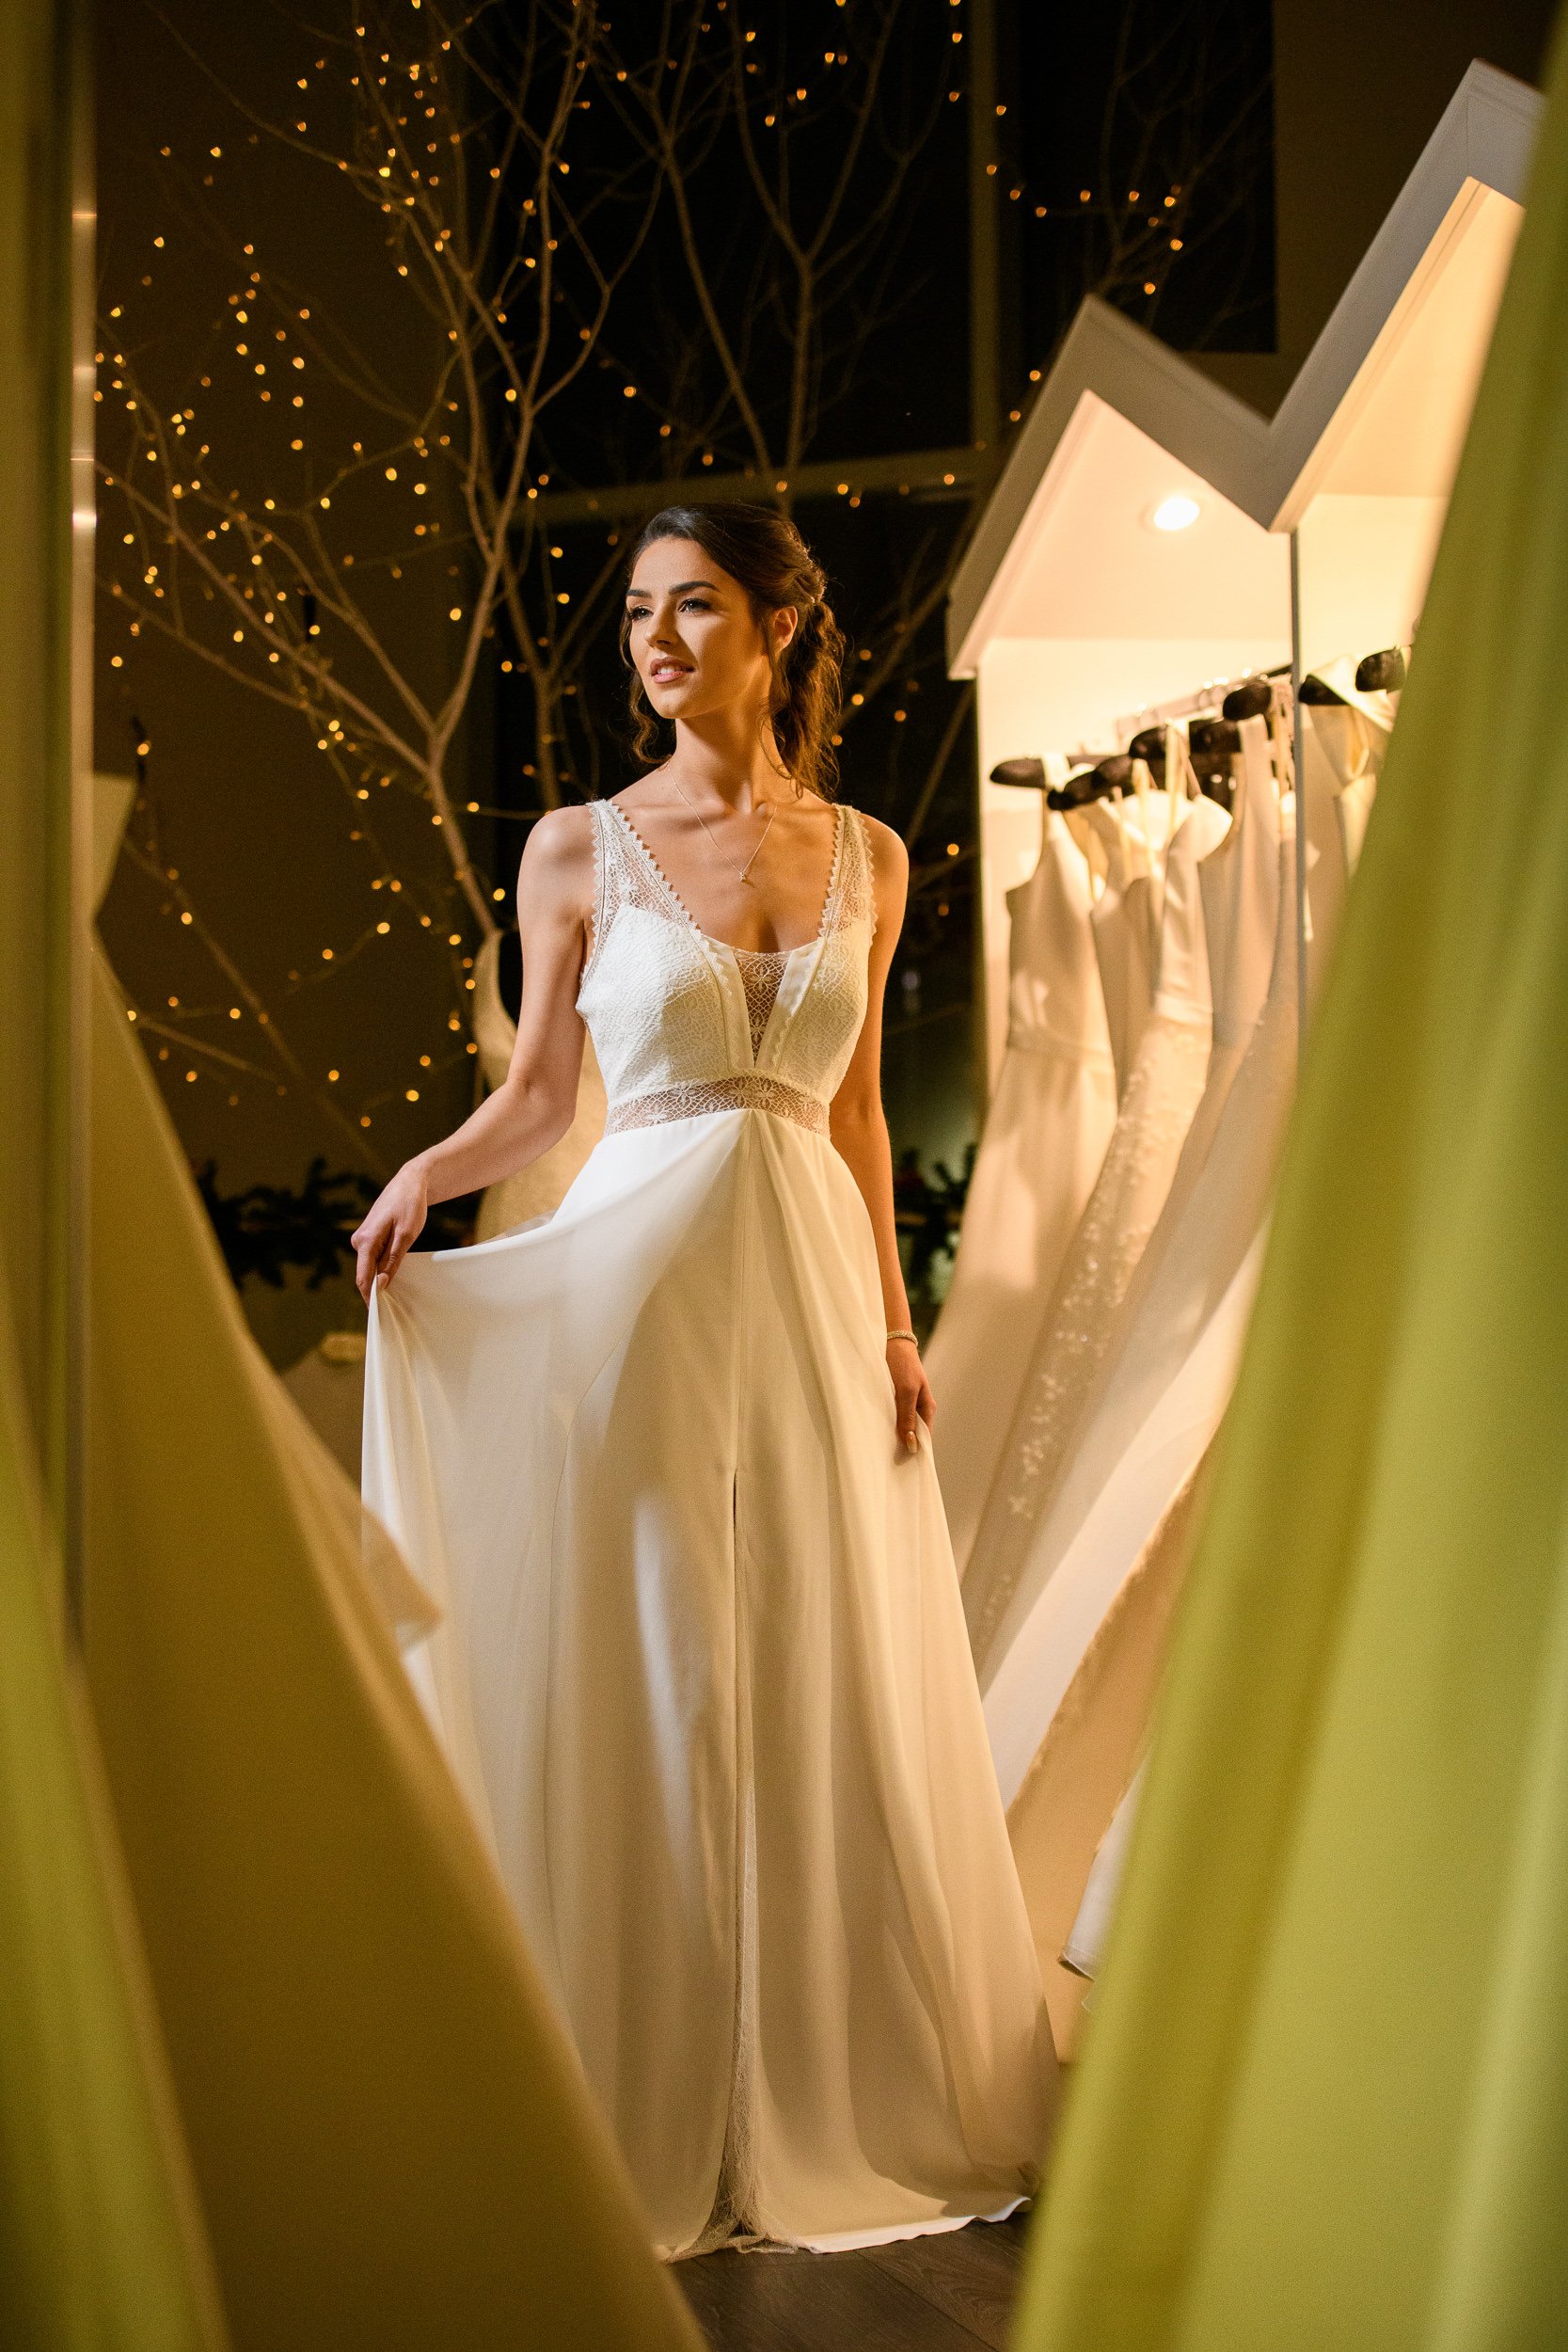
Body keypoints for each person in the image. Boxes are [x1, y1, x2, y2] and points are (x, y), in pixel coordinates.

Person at [352, 502, 1055, 2260]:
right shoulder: (578, 846)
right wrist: (423, 1179)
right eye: (640, 615)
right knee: (661, 1668)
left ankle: (823, 2089)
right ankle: (638, 2095)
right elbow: (536, 1100)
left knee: (814, 1666)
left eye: (696, 607)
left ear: (780, 629)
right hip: (634, 1305)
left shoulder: (874, 857)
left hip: (812, 1295)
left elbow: (863, 1114)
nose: (655, 641)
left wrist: (902, 1328)